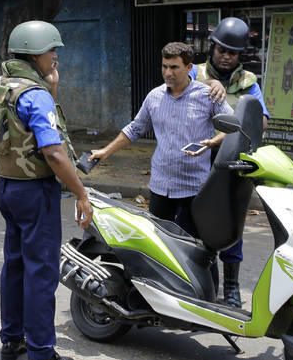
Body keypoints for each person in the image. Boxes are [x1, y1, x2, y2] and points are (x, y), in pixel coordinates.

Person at [0, 20, 92, 360]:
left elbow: (23, 132)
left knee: (15, 264)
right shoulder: (35, 94)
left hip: (8, 186)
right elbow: (54, 152)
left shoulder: (4, 86)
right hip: (35, 191)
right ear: (35, 53)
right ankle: (41, 354)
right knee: (41, 271)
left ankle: (11, 340)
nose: (56, 57)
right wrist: (80, 192)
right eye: (52, 50)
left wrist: (52, 91)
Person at [90, 41, 232, 238]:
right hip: (160, 186)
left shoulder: (208, 95)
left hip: (194, 188)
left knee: (195, 247)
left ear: (189, 68)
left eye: (174, 67)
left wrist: (213, 142)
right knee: (160, 242)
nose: (167, 73)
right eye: (164, 66)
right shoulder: (154, 97)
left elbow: (234, 127)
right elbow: (135, 129)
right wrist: (105, 151)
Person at [190, 17, 270, 307]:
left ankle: (232, 289)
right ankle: (206, 286)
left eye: (232, 53)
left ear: (240, 56)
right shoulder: (194, 74)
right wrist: (208, 84)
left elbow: (259, 120)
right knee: (197, 223)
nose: (226, 56)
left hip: (234, 162)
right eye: (222, 50)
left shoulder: (249, 83)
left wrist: (240, 124)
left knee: (231, 223)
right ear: (213, 47)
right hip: (197, 161)